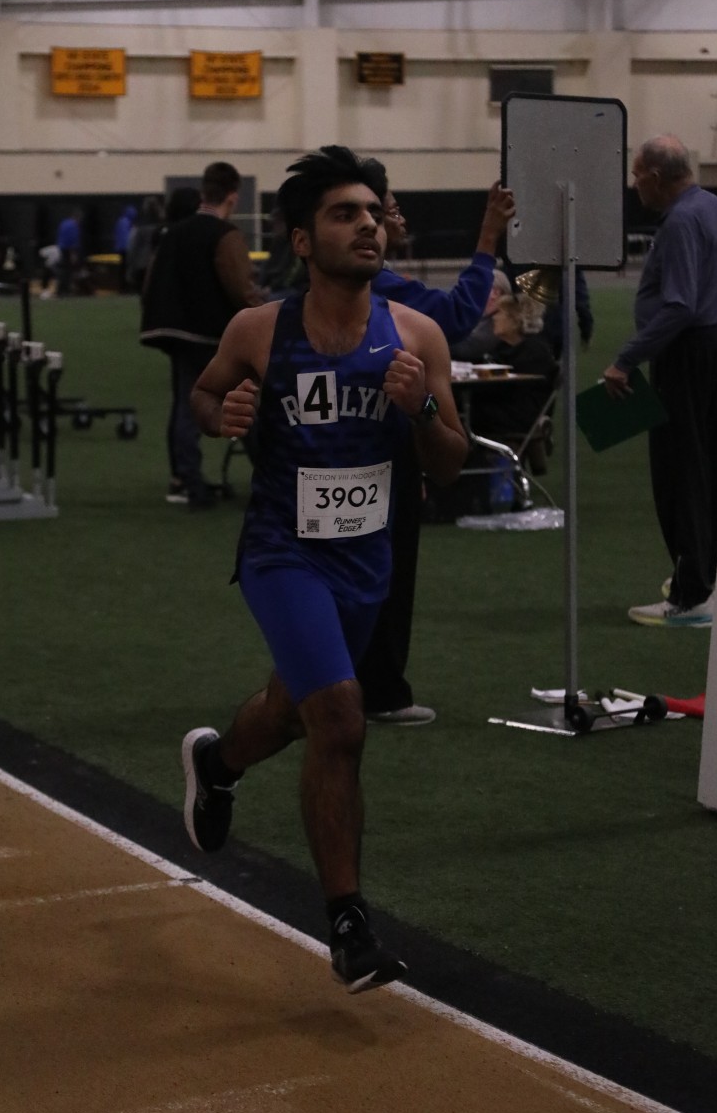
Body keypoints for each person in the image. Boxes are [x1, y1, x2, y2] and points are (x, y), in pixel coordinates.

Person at [182, 145, 467, 992]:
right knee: (341, 718)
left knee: (294, 709)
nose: (369, 225)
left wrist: (420, 408)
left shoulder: (416, 335)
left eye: (374, 212)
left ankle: (218, 766)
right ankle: (349, 925)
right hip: (284, 552)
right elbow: (204, 394)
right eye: (346, 214)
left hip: (367, 562)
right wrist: (225, 414)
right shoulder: (258, 331)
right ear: (302, 240)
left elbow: (450, 463)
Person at [354, 180, 516, 725]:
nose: (395, 220)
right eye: (387, 211)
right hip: (383, 461)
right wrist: (488, 235)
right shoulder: (390, 293)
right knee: (383, 573)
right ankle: (378, 691)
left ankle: (324, 690)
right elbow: (458, 313)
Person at [603, 135, 717, 629]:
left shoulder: (681, 221)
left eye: (637, 174)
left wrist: (626, 359)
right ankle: (707, 575)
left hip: (685, 357)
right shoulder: (714, 207)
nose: (634, 183)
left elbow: (679, 305)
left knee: (679, 476)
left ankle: (691, 596)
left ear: (656, 177)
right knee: (708, 468)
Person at [140, 163, 260, 508]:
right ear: (233, 196)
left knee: (185, 407)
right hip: (212, 334)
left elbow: (150, 282)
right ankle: (272, 477)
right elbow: (240, 288)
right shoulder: (224, 234)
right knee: (248, 404)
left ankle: (187, 481)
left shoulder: (173, 232)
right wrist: (267, 316)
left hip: (175, 333)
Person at [467, 293, 556, 441]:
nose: (494, 318)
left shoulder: (534, 352)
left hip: (518, 417)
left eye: (500, 313)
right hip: (505, 410)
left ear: (515, 320)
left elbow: (512, 390)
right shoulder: (505, 348)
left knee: (462, 411)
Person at [126, 196, 163, 293]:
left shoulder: (140, 227)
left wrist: (131, 266)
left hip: (142, 264)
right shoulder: (163, 225)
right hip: (159, 264)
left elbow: (134, 248)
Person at [54, 208, 82, 297]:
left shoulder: (64, 223)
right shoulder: (73, 226)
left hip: (61, 249)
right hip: (68, 250)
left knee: (63, 271)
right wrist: (73, 254)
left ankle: (60, 290)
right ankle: (66, 290)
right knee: (68, 272)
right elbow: (73, 239)